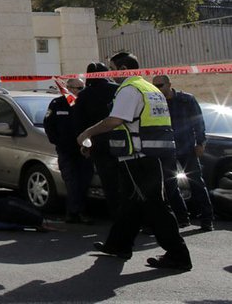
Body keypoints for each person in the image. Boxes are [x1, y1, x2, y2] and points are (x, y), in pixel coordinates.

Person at [76, 52, 192, 271]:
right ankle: (118, 245)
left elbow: (114, 120)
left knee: (154, 205)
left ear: (123, 68)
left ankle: (178, 255)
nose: (110, 74)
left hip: (138, 156)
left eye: (112, 68)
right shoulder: (150, 88)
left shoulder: (129, 90)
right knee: (130, 203)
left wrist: (87, 133)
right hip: (152, 154)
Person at [152, 74, 213, 231]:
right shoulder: (156, 102)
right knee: (170, 185)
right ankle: (182, 218)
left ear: (169, 84)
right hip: (167, 148)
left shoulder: (186, 99)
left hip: (186, 146)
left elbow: (198, 121)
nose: (157, 89)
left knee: (196, 182)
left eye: (160, 85)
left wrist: (200, 142)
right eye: (155, 86)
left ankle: (207, 220)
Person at [73, 61, 122, 221]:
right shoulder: (117, 90)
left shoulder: (84, 95)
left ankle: (117, 216)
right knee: (126, 180)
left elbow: (79, 123)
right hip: (123, 142)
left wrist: (85, 145)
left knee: (109, 183)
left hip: (98, 144)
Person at [44, 77, 94, 224]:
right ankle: (73, 213)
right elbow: (48, 125)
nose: (81, 91)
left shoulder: (85, 104)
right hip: (66, 150)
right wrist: (58, 141)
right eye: (78, 88)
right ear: (69, 88)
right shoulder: (57, 104)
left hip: (84, 149)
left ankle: (79, 211)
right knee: (71, 181)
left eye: (82, 88)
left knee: (84, 181)